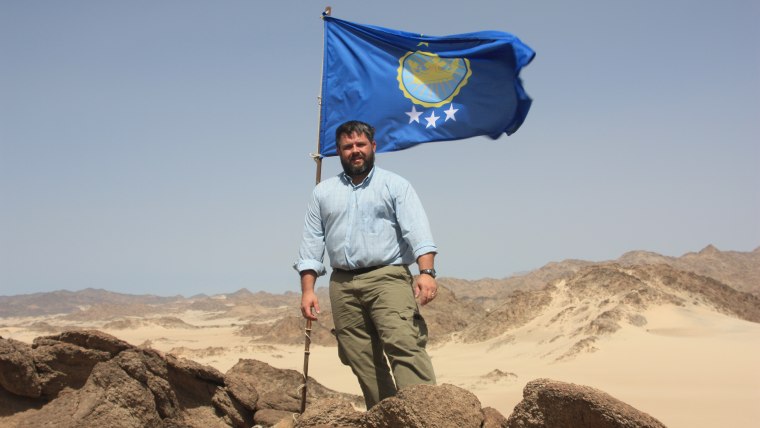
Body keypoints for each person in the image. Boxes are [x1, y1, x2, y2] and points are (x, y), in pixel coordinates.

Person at [294, 120, 438, 409]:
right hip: (342, 284)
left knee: (404, 346)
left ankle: (425, 415)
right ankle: (386, 418)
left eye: (361, 144)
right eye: (348, 147)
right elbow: (312, 243)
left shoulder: (395, 185)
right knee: (360, 357)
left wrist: (426, 272)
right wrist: (308, 290)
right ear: (339, 151)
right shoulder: (323, 192)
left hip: (387, 277)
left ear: (373, 146)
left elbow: (419, 231)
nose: (355, 151)